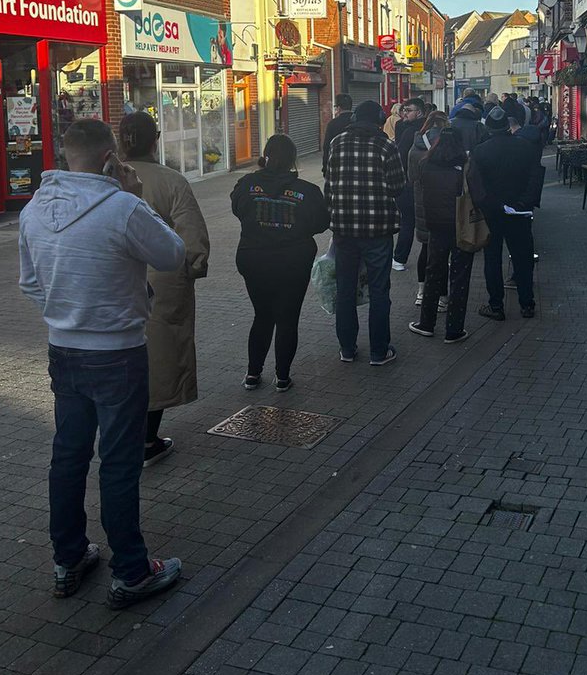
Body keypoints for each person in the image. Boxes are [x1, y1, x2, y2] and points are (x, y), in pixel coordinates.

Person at [18, 119, 185, 609]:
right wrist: (137, 195)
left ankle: (68, 558)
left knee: (68, 456)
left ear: (66, 154)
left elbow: (29, 283)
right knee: (118, 461)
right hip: (117, 352)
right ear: (112, 157)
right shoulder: (123, 206)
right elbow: (172, 254)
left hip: (63, 350)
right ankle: (131, 570)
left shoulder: (32, 210)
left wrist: (66, 311)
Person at [117, 113, 210, 467]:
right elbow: (191, 232)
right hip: (163, 279)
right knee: (160, 357)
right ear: (154, 140)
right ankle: (146, 438)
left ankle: (124, 434)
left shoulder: (103, 180)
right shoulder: (172, 181)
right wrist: (194, 265)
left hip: (115, 282)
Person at [231, 134, 330, 391]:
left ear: (266, 155)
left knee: (262, 315)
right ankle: (282, 377)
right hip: (293, 262)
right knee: (287, 318)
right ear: (292, 160)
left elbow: (237, 209)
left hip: (254, 259)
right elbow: (321, 224)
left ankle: (253, 374)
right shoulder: (308, 191)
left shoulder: (245, 184)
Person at [325, 99, 406, 366]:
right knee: (379, 291)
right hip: (378, 231)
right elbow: (397, 186)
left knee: (345, 289)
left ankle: (347, 349)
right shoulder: (386, 146)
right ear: (380, 121)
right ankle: (378, 351)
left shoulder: (337, 143)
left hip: (344, 229)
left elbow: (329, 182)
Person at [468, 106, 538, 320]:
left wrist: (492, 204)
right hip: (520, 212)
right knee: (522, 258)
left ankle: (496, 305)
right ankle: (527, 304)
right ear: (507, 127)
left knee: (492, 259)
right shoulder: (526, 147)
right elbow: (535, 179)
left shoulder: (480, 151)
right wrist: (524, 202)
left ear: (488, 128)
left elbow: (477, 186)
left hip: (492, 214)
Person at [409, 129, 478, 343]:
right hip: (461, 227)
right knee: (460, 277)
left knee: (433, 273)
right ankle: (454, 329)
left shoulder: (425, 164)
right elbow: (478, 194)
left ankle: (426, 323)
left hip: (436, 226)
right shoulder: (467, 167)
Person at [408, 111, 450, 308]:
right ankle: (442, 297)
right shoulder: (450, 145)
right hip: (445, 203)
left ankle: (421, 292)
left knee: (425, 248)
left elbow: (412, 178)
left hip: (421, 202)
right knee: (442, 252)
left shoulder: (414, 148)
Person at [392, 98, 426, 269]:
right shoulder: (426, 129)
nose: (404, 113)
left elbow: (399, 157)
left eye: (408, 110)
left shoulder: (410, 132)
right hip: (427, 184)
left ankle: (399, 258)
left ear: (419, 112)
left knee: (407, 222)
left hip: (409, 183)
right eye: (403, 110)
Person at [322, 94, 354, 175]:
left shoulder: (333, 124)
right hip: (355, 163)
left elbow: (326, 147)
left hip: (337, 166)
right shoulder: (358, 121)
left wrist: (325, 168)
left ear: (339, 108)